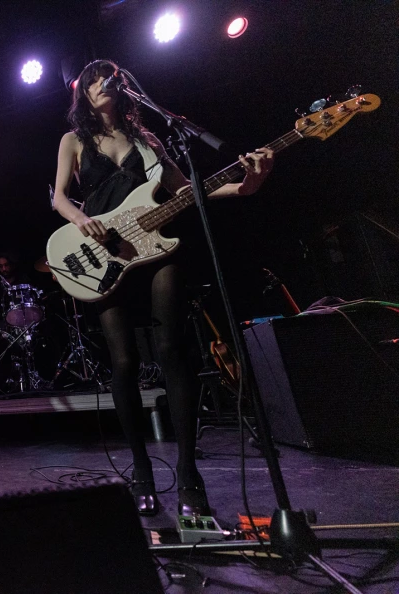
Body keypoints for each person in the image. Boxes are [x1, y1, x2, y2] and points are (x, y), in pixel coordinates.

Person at [51, 60, 273, 516]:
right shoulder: (73, 141)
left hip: (157, 245)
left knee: (173, 349)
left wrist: (248, 183)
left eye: (108, 76)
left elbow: (189, 190)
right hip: (104, 253)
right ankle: (141, 470)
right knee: (124, 360)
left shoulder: (148, 140)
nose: (101, 84)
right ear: (82, 94)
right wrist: (82, 219)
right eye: (92, 79)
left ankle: (189, 473)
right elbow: (58, 197)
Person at [0, 253, 32, 325]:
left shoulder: (22, 280)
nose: (4, 269)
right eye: (1, 266)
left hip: (24, 321)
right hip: (4, 325)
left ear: (12, 265)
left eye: (6, 265)